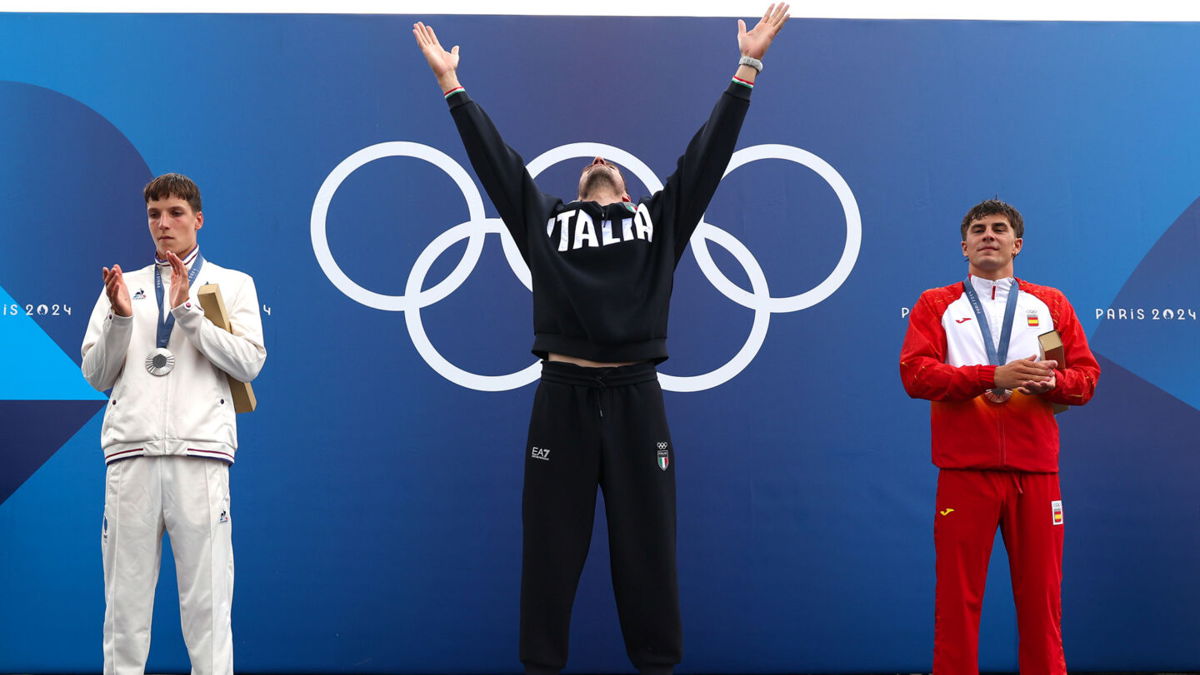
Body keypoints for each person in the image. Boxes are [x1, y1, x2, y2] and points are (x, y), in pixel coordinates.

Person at [414, 7, 788, 674]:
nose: (598, 161)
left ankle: (657, 663)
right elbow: (496, 166)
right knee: (549, 549)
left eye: (608, 163)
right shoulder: (548, 222)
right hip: (561, 395)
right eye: (590, 163)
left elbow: (707, 157)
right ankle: (541, 665)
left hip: (637, 396)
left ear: (629, 189)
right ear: (579, 192)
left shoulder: (657, 222)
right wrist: (451, 85)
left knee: (649, 546)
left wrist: (748, 64)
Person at [899, 199, 1100, 674]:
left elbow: (1082, 379)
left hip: (1036, 472)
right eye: (979, 229)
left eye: (999, 229)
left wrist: (1051, 383)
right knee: (957, 601)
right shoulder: (936, 304)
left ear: (1017, 244)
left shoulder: (1048, 306)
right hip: (965, 471)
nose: (989, 235)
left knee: (1042, 604)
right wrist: (992, 377)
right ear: (964, 245)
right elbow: (916, 374)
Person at [81, 173, 266, 675]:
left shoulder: (232, 284)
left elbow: (248, 364)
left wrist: (188, 313)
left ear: (198, 219)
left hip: (200, 458)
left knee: (208, 609)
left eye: (175, 213)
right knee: (124, 611)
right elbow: (96, 374)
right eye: (154, 215)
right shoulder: (125, 286)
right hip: (131, 459)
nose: (163, 224)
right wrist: (120, 320)